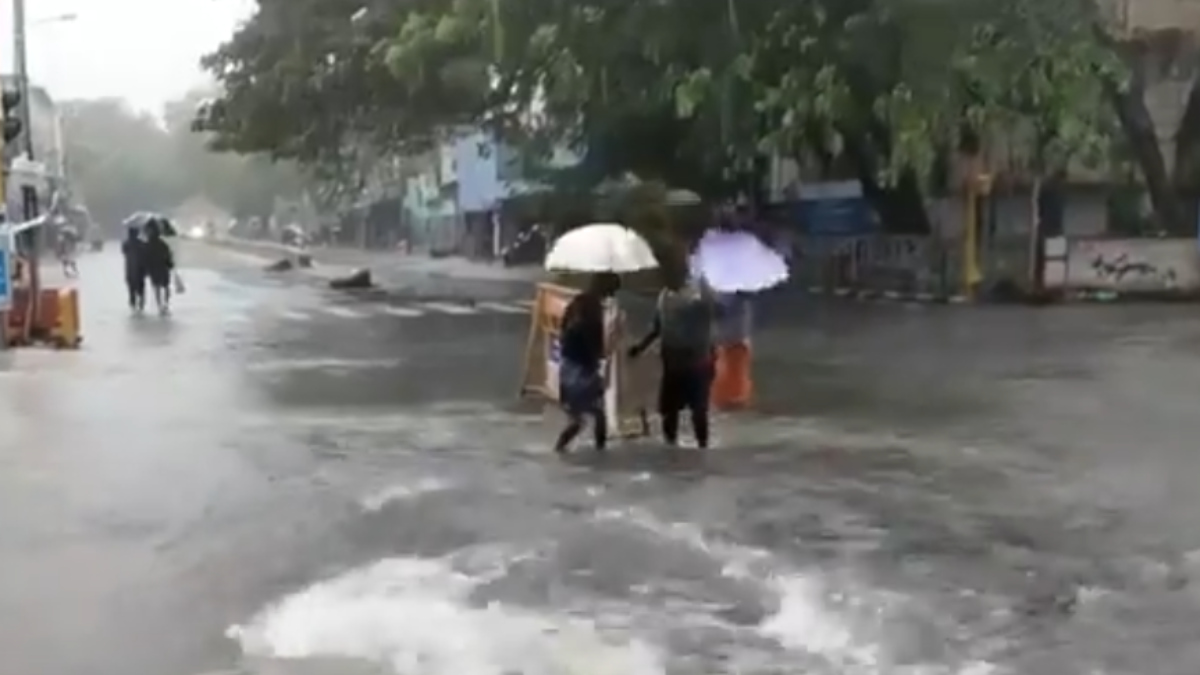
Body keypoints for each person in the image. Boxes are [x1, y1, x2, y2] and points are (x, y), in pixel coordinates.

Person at [628, 263, 718, 449]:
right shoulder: (664, 297)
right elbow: (657, 328)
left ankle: (702, 448)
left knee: (698, 411)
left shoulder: (696, 299)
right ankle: (672, 451)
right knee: (669, 412)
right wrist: (640, 347)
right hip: (673, 364)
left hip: (696, 363)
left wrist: (706, 288)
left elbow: (711, 311)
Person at [554, 272, 621, 455]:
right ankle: (601, 455)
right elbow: (599, 350)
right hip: (583, 370)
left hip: (567, 366)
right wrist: (614, 335)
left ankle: (560, 450)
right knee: (597, 413)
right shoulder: (594, 312)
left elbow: (563, 330)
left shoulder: (577, 302)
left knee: (578, 418)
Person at [711, 291, 754, 409]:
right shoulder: (735, 292)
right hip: (730, 341)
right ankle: (733, 400)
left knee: (731, 374)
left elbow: (718, 310)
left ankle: (732, 400)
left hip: (733, 341)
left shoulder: (734, 292)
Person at [143, 221, 175, 314]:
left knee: (158, 287)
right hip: (162, 267)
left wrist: (145, 270)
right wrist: (170, 264)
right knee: (165, 286)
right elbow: (168, 255)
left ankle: (160, 305)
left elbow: (145, 258)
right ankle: (164, 304)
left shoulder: (147, 245)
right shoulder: (163, 244)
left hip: (154, 268)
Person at [121, 226, 147, 313]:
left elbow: (123, 252)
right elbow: (145, 254)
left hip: (130, 268)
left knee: (131, 286)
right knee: (140, 286)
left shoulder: (126, 243)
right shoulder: (141, 243)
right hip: (140, 268)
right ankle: (141, 301)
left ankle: (133, 301)